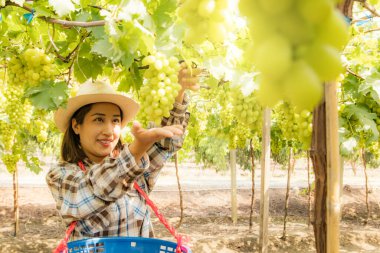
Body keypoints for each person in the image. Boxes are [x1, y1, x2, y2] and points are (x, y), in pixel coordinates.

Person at [46, 63, 201, 242]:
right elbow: (93, 189)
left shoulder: (137, 166)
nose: (109, 130)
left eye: (115, 121)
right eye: (98, 120)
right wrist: (136, 150)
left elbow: (164, 141)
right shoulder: (61, 176)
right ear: (76, 125)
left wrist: (178, 93)